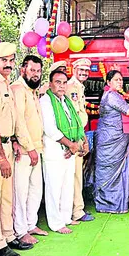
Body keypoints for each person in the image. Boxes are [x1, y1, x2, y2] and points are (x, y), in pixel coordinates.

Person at [0, 42, 34, 256]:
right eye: (4, 61)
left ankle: (9, 235)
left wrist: (22, 144)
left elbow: (15, 120)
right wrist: (1, 155)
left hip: (8, 146)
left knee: (6, 197)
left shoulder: (7, 85)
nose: (8, 65)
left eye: (12, 61)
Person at [40, 70, 87, 233]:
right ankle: (55, 223)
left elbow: (76, 123)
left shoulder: (66, 101)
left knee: (67, 186)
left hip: (69, 150)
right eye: (57, 82)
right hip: (54, 151)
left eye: (64, 82)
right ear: (50, 84)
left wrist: (76, 143)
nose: (61, 85)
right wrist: (70, 144)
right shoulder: (46, 101)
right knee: (54, 187)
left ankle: (66, 217)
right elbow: (50, 128)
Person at [94, 70, 129, 214]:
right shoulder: (111, 96)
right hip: (111, 140)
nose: (120, 82)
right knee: (109, 170)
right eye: (117, 80)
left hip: (115, 139)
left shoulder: (114, 95)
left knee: (113, 170)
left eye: (121, 80)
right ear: (108, 82)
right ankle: (108, 203)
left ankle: (115, 203)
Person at [11, 55, 49, 244]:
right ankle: (20, 231)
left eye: (38, 71)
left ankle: (31, 224)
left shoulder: (32, 91)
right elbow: (19, 121)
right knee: (21, 192)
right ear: (23, 70)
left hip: (36, 148)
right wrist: (28, 147)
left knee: (35, 190)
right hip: (25, 151)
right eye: (32, 70)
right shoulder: (18, 89)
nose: (35, 74)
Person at [66, 58, 95, 222]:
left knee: (77, 175)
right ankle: (76, 211)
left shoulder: (79, 88)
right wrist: (81, 140)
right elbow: (75, 117)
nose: (84, 73)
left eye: (86, 71)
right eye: (81, 70)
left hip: (79, 135)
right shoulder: (72, 88)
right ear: (74, 70)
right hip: (74, 137)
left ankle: (76, 208)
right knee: (75, 175)